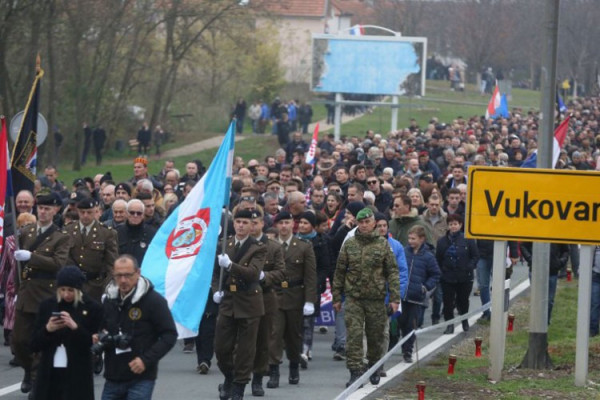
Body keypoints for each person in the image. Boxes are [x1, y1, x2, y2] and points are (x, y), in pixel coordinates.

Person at [332, 208, 400, 387]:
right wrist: (337, 297)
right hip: (354, 297)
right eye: (360, 222)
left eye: (367, 222)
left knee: (375, 335)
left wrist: (395, 298)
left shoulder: (383, 244)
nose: (363, 225)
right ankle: (355, 371)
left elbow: (392, 271)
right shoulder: (350, 244)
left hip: (376, 298)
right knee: (354, 336)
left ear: (373, 223)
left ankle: (373, 366)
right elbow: (339, 271)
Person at [12, 189, 70, 396]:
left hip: (46, 294)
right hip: (26, 292)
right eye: (40, 208)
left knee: (41, 339)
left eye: (47, 208)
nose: (43, 212)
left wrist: (32, 256)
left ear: (55, 210)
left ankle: (37, 381)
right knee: (18, 341)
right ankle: (28, 369)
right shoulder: (27, 232)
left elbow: (58, 264)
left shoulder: (61, 237)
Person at [98, 255, 177, 400]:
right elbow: (101, 327)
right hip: (113, 375)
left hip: (141, 376)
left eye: (128, 275)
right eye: (119, 275)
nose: (123, 280)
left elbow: (169, 335)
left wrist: (145, 360)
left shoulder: (154, 301)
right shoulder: (109, 300)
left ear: (138, 273)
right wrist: (98, 336)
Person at [211, 209, 267, 400]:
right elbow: (215, 273)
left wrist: (230, 266)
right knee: (221, 348)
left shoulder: (258, 247)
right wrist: (215, 291)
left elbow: (253, 273)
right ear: (233, 224)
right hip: (228, 302)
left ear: (252, 225)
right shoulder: (224, 245)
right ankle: (229, 376)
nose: (241, 225)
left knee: (245, 350)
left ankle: (238, 388)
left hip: (249, 302)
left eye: (245, 222)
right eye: (238, 222)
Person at [31, 266, 102, 400]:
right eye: (62, 290)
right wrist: (48, 329)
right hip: (50, 371)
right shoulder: (47, 305)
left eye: (71, 290)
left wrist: (75, 327)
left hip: (77, 371)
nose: (66, 294)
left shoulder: (92, 307)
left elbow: (92, 343)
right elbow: (34, 344)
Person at [268, 211, 316, 389]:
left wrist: (310, 300)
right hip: (275, 295)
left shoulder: (303, 246)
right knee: (274, 334)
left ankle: (294, 365)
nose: (284, 226)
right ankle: (274, 371)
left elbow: (310, 276)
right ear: (277, 225)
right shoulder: (270, 246)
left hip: (296, 295)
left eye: (287, 222)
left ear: (292, 225)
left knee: (294, 335)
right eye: (280, 223)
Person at [249, 209, 285, 396]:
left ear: (262, 223)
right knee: (239, 343)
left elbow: (280, 272)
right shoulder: (236, 245)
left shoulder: (273, 247)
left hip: (265, 297)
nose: (252, 226)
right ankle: (234, 378)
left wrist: (265, 276)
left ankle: (257, 379)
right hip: (242, 298)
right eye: (249, 222)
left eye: (256, 222)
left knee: (263, 340)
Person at [65, 197, 119, 302]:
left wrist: (107, 288)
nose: (85, 215)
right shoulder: (68, 230)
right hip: (73, 286)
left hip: (96, 286)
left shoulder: (107, 233)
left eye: (89, 212)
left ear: (96, 211)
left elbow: (111, 264)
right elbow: (65, 258)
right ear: (77, 212)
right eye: (82, 212)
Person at [399, 225, 440, 363]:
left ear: (422, 239)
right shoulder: (404, 252)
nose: (410, 241)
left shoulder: (428, 256)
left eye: (413, 238)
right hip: (401, 295)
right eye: (409, 238)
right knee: (401, 323)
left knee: (411, 326)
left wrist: (425, 287)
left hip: (416, 298)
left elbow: (435, 274)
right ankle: (396, 347)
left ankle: (408, 351)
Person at [435, 214, 479, 334]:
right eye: (451, 224)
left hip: (464, 277)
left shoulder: (468, 240)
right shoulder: (442, 241)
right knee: (448, 302)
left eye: (455, 224)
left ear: (460, 225)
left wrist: (469, 267)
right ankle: (449, 325)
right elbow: (438, 258)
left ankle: (464, 321)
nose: (453, 227)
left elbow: (475, 256)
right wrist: (442, 272)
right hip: (448, 277)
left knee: (463, 301)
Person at [115, 199, 157, 266]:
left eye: (139, 213)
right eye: (132, 213)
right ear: (127, 214)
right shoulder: (117, 232)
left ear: (143, 215)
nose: (135, 215)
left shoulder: (152, 233)